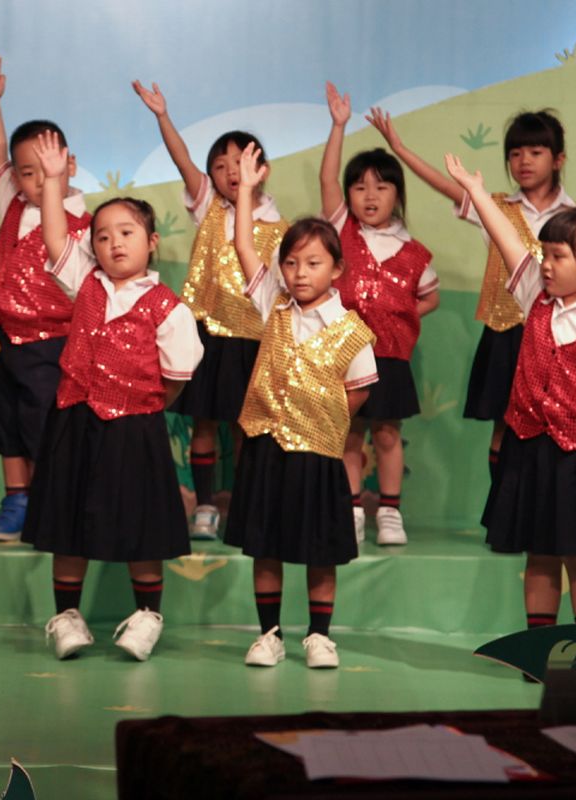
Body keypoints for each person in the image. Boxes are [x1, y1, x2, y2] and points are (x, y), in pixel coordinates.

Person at [24, 132, 203, 662]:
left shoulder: (169, 308)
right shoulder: (86, 285)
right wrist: (54, 181)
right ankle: (67, 616)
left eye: (126, 233)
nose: (113, 244)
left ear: (152, 243)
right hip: (74, 421)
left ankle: (147, 616)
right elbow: (57, 238)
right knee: (69, 523)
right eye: (102, 236)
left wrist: (137, 406)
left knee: (141, 526)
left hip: (135, 429)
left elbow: (176, 378)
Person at [446, 152, 576, 634]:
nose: (544, 265)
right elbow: (507, 242)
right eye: (543, 254)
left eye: (558, 256)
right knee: (538, 555)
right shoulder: (533, 299)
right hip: (531, 449)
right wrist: (477, 192)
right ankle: (539, 650)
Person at [227, 143, 379, 669]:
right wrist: (246, 189)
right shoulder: (275, 307)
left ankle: (319, 635)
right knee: (265, 545)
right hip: (267, 447)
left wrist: (318, 420)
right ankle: (269, 633)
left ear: (337, 268)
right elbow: (245, 247)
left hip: (318, 454)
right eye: (290, 263)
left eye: (312, 263)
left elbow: (355, 395)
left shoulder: (355, 333)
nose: (298, 273)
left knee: (320, 549)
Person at [368, 107, 573, 487]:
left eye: (535, 151)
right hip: (505, 332)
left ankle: (544, 510)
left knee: (552, 424)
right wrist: (399, 147)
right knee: (503, 424)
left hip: (558, 339)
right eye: (515, 153)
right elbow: (444, 184)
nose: (523, 161)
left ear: (558, 158)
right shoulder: (494, 207)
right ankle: (502, 512)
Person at [132, 80, 289, 539]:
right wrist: (163, 115)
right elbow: (183, 160)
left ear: (262, 168)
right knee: (204, 424)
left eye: (241, 162)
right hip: (210, 335)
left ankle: (240, 504)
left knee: (245, 427)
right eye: (220, 166)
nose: (230, 172)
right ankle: (203, 506)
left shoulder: (281, 228)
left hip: (255, 341)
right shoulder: (211, 210)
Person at [0, 55, 93, 542]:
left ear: (70, 164)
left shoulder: (85, 222)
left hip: (54, 340)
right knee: (4, 420)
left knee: (45, 423)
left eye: (48, 170)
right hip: (5, 334)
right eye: (27, 173)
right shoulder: (10, 206)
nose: (37, 181)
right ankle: (16, 498)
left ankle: (51, 499)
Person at [320, 82, 439, 546]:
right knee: (349, 433)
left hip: (390, 359)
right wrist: (338, 126)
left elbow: (429, 299)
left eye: (381, 186)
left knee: (387, 435)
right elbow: (326, 180)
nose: (370, 195)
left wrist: (402, 319)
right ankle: (351, 508)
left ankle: (389, 512)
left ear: (397, 195)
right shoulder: (342, 232)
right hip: (344, 357)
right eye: (360, 186)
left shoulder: (415, 253)